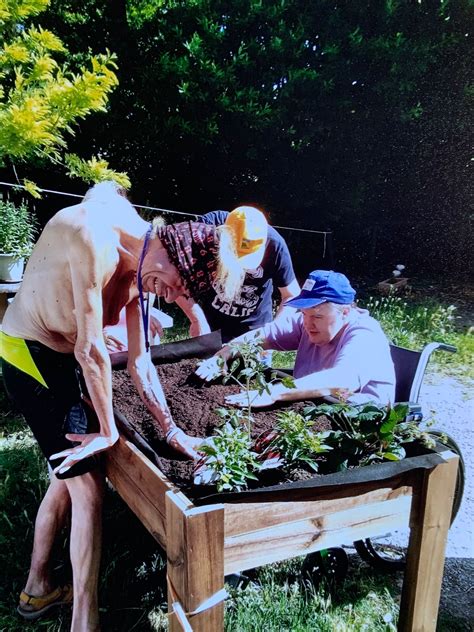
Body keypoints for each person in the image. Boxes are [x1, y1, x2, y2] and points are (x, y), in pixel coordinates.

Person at [0, 182, 244, 630]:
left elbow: (140, 363)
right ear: (171, 254)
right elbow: (91, 350)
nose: (169, 296)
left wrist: (170, 429)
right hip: (26, 354)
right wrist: (109, 429)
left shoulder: (141, 270)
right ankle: (83, 621)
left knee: (68, 470)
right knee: (88, 487)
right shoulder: (94, 238)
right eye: (175, 287)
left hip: (58, 356)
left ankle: (37, 588)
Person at [196, 269, 396, 407]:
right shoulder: (307, 322)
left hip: (357, 424)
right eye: (304, 314)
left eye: (317, 316)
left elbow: (343, 379)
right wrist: (223, 354)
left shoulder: (364, 335)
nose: (308, 324)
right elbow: (264, 334)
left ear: (344, 312)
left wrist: (274, 392)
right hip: (315, 406)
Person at [175, 207, 301, 343]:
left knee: (255, 364)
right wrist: (196, 319)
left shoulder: (275, 245)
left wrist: (271, 332)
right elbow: (174, 276)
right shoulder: (204, 231)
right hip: (211, 328)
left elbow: (291, 295)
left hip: (255, 332)